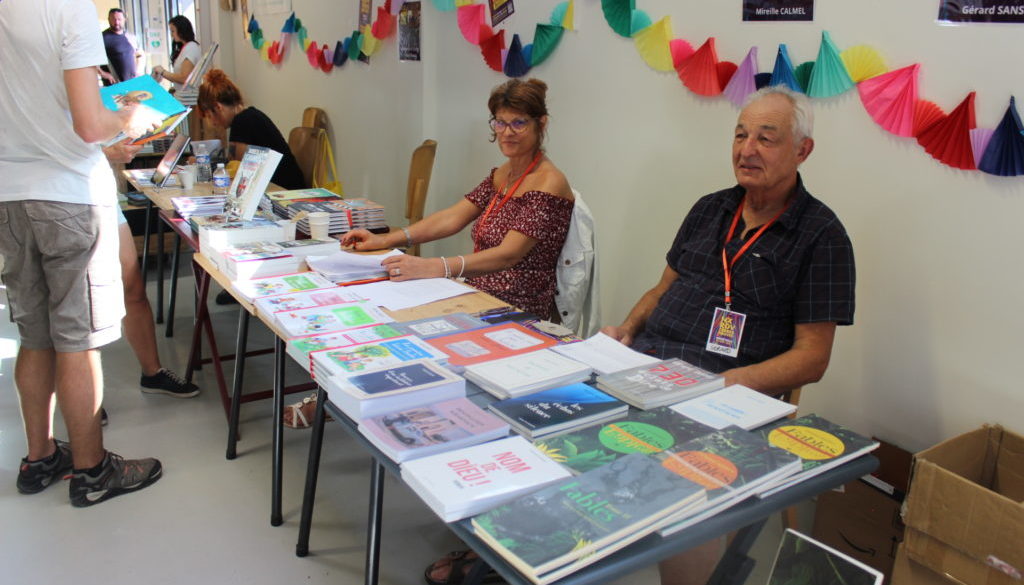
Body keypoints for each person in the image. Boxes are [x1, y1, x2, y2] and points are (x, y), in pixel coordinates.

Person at [601, 86, 855, 585]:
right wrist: (624, 331)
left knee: (682, 494)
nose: (746, 149)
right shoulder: (709, 208)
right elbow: (662, 288)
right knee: (548, 426)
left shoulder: (822, 236)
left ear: (802, 151)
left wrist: (726, 384)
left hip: (725, 391)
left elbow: (812, 358)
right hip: (650, 367)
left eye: (766, 138)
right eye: (740, 135)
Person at [0, 0, 163, 507]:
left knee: (35, 332)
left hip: (9, 193)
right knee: (78, 339)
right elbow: (91, 125)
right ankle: (92, 471)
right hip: (68, 195)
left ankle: (41, 456)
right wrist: (133, 112)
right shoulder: (65, 10)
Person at [342, 78, 574, 319]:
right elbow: (452, 217)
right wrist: (386, 239)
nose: (507, 132)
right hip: (476, 292)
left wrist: (435, 267)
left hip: (518, 306)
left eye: (519, 123)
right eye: (500, 123)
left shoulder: (548, 182)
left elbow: (508, 254)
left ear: (541, 124)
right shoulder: (503, 173)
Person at [102, 143, 200, 399]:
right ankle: (80, 400)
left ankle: (152, 373)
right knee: (74, 307)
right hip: (56, 203)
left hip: (99, 197)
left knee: (133, 288)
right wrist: (104, 151)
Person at [196, 69, 306, 190]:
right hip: (287, 186)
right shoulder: (249, 115)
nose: (213, 123)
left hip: (283, 190)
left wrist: (204, 164)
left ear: (218, 107)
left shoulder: (242, 121)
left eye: (210, 117)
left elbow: (235, 167)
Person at [151, 15, 199, 92]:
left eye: (173, 31)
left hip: (188, 99)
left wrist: (163, 72)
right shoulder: (184, 48)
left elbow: (184, 78)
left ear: (181, 30)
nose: (171, 35)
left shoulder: (191, 47)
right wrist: (162, 73)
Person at [101, 8, 143, 83]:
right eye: (113, 19)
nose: (116, 22)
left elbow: (140, 55)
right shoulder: (102, 38)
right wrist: (103, 74)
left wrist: (138, 71)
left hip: (133, 82)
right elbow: (90, 60)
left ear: (124, 20)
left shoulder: (130, 37)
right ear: (108, 20)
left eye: (119, 19)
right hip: (114, 85)